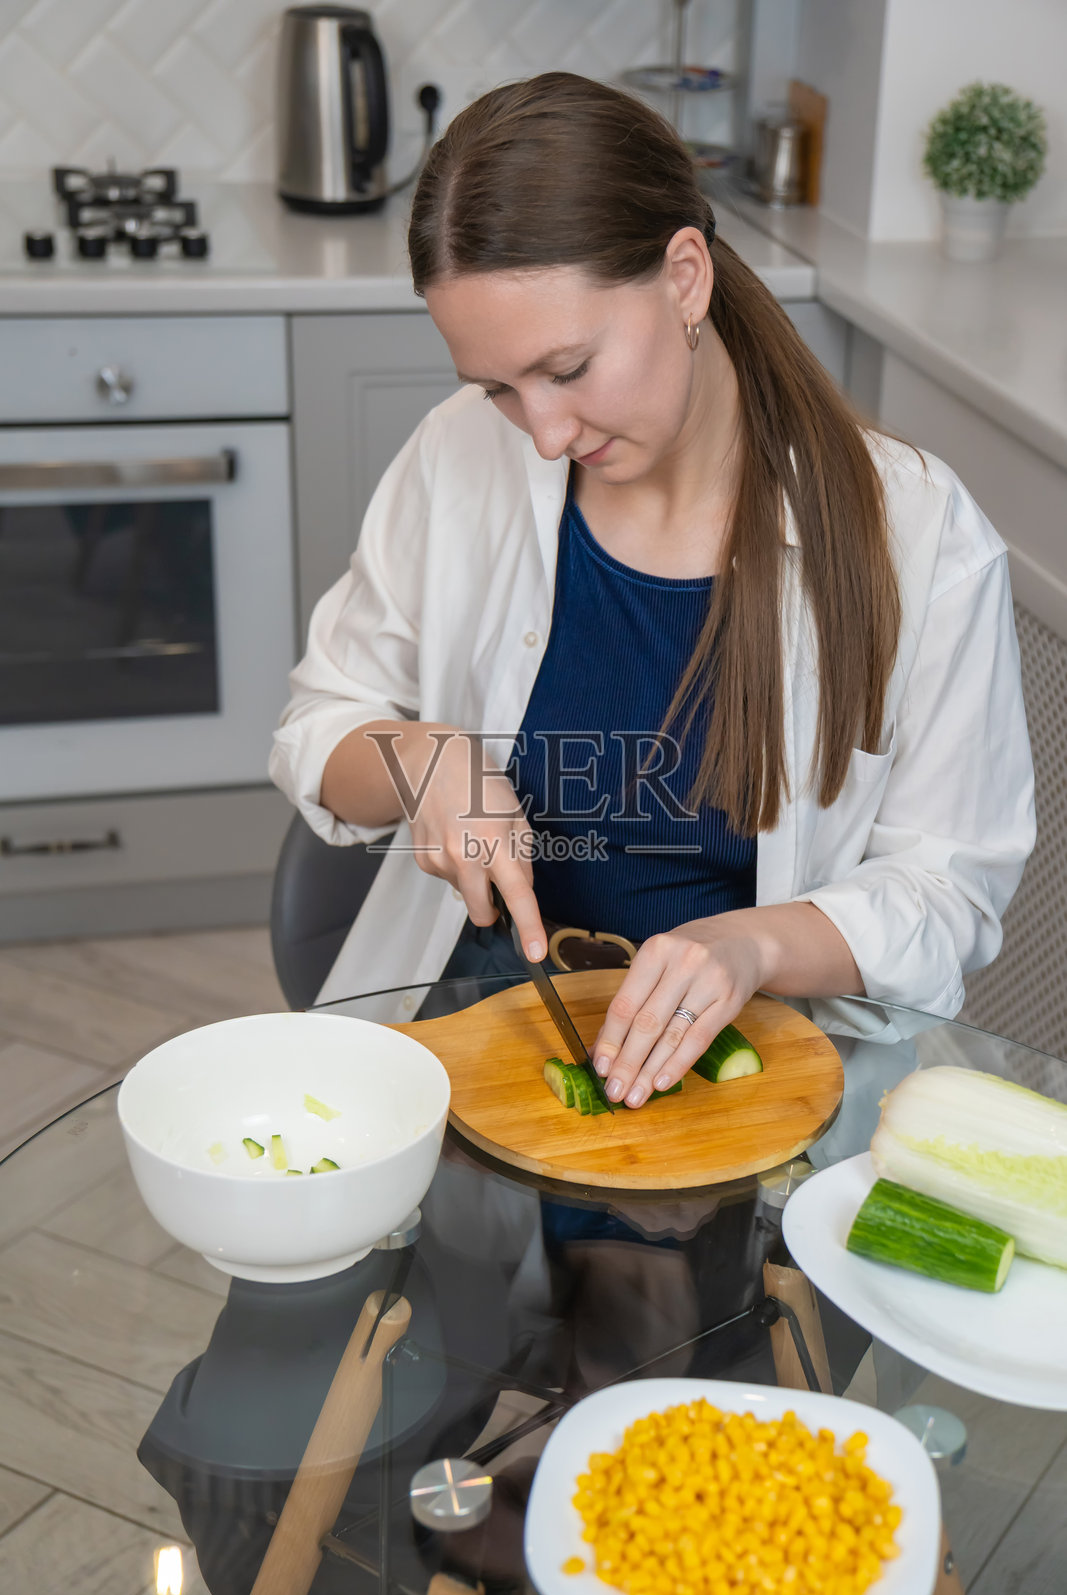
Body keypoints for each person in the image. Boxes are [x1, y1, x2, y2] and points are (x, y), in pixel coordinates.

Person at [271, 72, 1034, 1110]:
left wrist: (754, 945)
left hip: (760, 1083)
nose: (542, 434)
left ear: (683, 278)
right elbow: (318, 724)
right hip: (478, 1053)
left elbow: (949, 893)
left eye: (568, 367)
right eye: (497, 388)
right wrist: (418, 758)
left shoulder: (918, 539)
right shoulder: (457, 460)